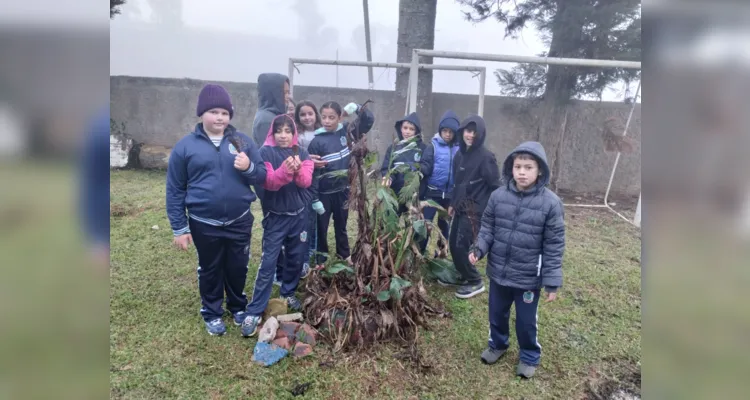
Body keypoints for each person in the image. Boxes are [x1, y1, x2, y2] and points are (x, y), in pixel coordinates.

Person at [166, 84, 267, 336]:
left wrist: (249, 168)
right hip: (203, 222)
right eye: (213, 111)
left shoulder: (242, 141)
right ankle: (211, 312)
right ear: (201, 114)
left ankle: (237, 306)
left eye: (224, 112)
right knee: (210, 268)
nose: (219, 117)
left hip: (239, 219)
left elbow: (262, 174)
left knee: (238, 265)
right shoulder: (185, 147)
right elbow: (175, 189)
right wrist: (180, 228)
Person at [468, 141, 565, 379]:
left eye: (528, 167)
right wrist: (479, 248)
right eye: (517, 166)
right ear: (511, 168)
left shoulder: (551, 203)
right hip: (499, 272)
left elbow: (553, 246)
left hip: (528, 278)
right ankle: (498, 344)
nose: (522, 172)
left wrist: (552, 280)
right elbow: (488, 227)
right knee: (496, 314)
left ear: (539, 170)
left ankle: (529, 355)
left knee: (526, 321)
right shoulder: (498, 196)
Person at [241, 115, 314, 337]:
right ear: (272, 133)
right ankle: (254, 310)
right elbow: (269, 183)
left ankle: (288, 291)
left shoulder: (302, 153)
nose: (283, 135)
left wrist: (298, 169)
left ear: (294, 134)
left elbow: (306, 181)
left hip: (299, 216)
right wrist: (285, 170)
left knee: (296, 256)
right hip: (276, 218)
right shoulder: (265, 153)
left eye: (288, 131)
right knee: (268, 262)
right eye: (279, 131)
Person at [307, 101, 374, 268]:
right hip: (324, 193)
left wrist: (357, 108)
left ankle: (343, 253)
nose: (327, 121)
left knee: (341, 225)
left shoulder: (347, 132)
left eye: (332, 117)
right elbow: (312, 173)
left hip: (344, 190)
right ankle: (320, 258)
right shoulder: (316, 141)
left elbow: (368, 120)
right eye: (324, 117)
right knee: (321, 227)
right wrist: (315, 198)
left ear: (339, 117)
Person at [447, 115, 500, 299]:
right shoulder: (459, 155)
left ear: (481, 135)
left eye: (474, 132)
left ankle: (475, 280)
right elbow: (458, 183)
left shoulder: (486, 157)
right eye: (467, 131)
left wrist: (489, 210)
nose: (470, 135)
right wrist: (453, 204)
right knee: (453, 243)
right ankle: (462, 274)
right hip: (461, 206)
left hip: (476, 209)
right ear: (462, 132)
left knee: (462, 245)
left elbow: (495, 185)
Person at [251, 73, 293, 286]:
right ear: (273, 93)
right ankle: (277, 271)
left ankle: (281, 268)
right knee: (276, 228)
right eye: (284, 92)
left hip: (277, 180)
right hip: (272, 183)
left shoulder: (271, 115)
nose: (287, 97)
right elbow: (271, 155)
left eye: (287, 92)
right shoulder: (267, 119)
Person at [418, 110, 460, 255]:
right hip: (432, 193)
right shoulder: (433, 147)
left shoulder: (459, 150)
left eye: (451, 132)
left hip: (448, 196)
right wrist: (419, 170)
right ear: (440, 131)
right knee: (426, 225)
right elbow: (426, 165)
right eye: (445, 131)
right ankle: (419, 253)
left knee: (444, 227)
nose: (447, 134)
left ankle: (440, 255)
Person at [294, 100, 323, 270]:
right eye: (303, 114)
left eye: (310, 113)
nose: (307, 117)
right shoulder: (296, 134)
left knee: (317, 215)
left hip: (321, 178)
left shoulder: (321, 132)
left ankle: (313, 248)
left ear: (315, 114)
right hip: (304, 178)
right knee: (307, 215)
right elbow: (294, 153)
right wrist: (308, 161)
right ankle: (305, 252)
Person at [380, 112, 425, 215]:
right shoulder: (393, 148)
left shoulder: (422, 148)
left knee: (414, 226)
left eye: (411, 129)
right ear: (400, 128)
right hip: (395, 193)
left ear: (416, 131)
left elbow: (425, 167)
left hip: (414, 194)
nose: (407, 132)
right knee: (391, 222)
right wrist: (387, 177)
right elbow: (387, 167)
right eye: (405, 128)